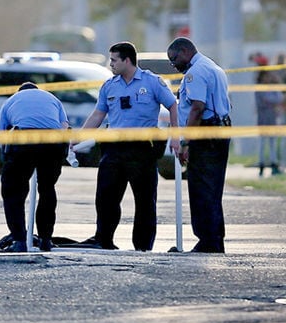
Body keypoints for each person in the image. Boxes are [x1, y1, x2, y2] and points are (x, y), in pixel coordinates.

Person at [74, 41, 179, 251]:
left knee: (145, 201)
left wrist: (175, 136)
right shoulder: (109, 85)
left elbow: (173, 105)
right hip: (114, 148)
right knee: (106, 197)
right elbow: (98, 114)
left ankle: (142, 246)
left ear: (127, 60)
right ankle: (104, 240)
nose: (110, 64)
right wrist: (78, 138)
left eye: (114, 60)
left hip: (141, 149)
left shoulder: (152, 82)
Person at [167, 36, 231, 253]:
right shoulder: (212, 66)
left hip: (205, 134)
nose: (174, 65)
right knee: (213, 189)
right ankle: (214, 239)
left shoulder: (196, 72)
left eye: (174, 59)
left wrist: (186, 142)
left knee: (202, 189)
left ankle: (208, 241)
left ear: (185, 51)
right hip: (218, 131)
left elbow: (197, 108)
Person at [0, 82, 69, 253]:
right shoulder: (53, 98)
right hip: (53, 142)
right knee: (47, 189)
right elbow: (65, 127)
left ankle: (19, 240)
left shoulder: (10, 101)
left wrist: (7, 161)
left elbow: (2, 137)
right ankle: (46, 239)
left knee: (13, 191)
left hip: (25, 139)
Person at [254, 67, 283, 177]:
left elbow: (279, 98)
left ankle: (273, 164)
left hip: (272, 119)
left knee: (272, 144)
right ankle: (261, 164)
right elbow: (266, 101)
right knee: (262, 143)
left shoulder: (272, 88)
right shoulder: (259, 89)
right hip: (263, 119)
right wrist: (272, 102)